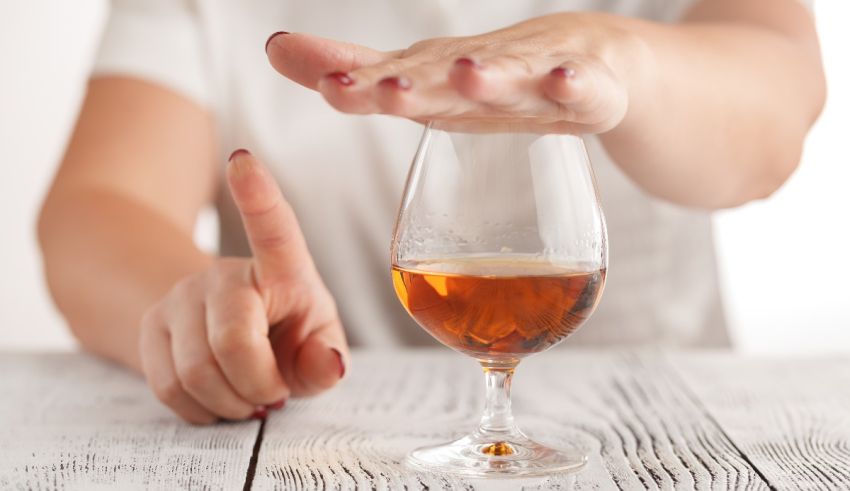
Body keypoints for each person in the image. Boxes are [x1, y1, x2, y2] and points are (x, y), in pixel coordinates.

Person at [38, 0, 825, 424]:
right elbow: (99, 205)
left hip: (667, 437)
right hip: (330, 435)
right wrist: (203, 305)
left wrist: (611, 54)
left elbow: (772, 128)